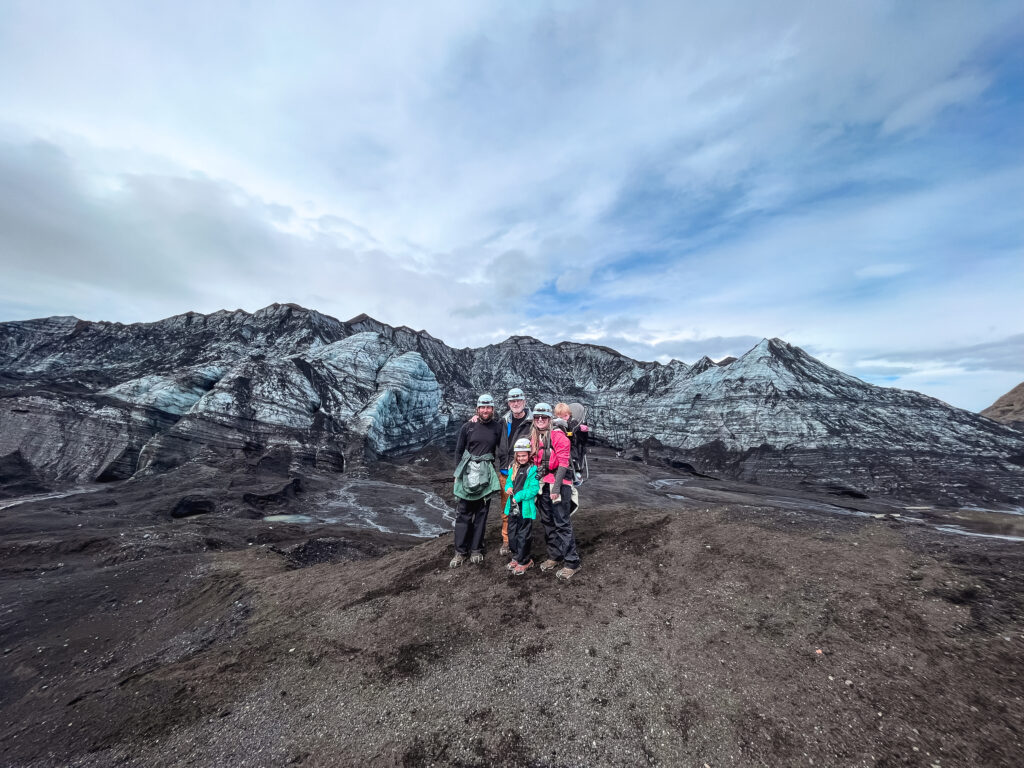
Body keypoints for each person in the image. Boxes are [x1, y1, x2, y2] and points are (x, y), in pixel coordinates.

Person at [530, 402, 582, 580]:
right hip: (543, 484)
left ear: (550, 419)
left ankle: (571, 562)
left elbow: (563, 463)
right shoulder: (535, 437)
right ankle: (554, 555)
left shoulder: (558, 436)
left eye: (544, 417)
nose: (540, 420)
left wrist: (557, 488)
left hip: (558, 485)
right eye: (537, 417)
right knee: (547, 521)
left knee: (561, 522)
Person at [451, 394, 502, 568]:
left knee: (481, 514)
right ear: (477, 409)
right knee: (463, 513)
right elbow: (459, 450)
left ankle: (476, 549)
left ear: (492, 409)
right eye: (482, 407)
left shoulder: (498, 427)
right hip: (467, 473)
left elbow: (503, 449)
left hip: (485, 474)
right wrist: (457, 473)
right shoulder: (468, 427)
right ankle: (460, 552)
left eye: (488, 407)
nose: (485, 410)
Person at [495, 388, 533, 556]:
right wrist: (474, 420)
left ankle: (524, 542)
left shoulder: (533, 421)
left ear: (524, 401)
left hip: (525, 472)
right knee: (507, 507)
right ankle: (507, 540)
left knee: (526, 507)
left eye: (518, 400)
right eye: (512, 401)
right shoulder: (504, 421)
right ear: (509, 403)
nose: (515, 404)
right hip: (506, 472)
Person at [502, 437, 540, 576]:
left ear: (529, 455)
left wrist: (519, 496)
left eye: (524, 455)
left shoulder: (532, 469)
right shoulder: (513, 468)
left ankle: (525, 560)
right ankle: (517, 556)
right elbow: (509, 483)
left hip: (525, 509)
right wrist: (508, 488)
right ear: (516, 456)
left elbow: (533, 489)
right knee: (512, 533)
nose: (522, 458)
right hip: (513, 508)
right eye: (519, 456)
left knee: (524, 535)